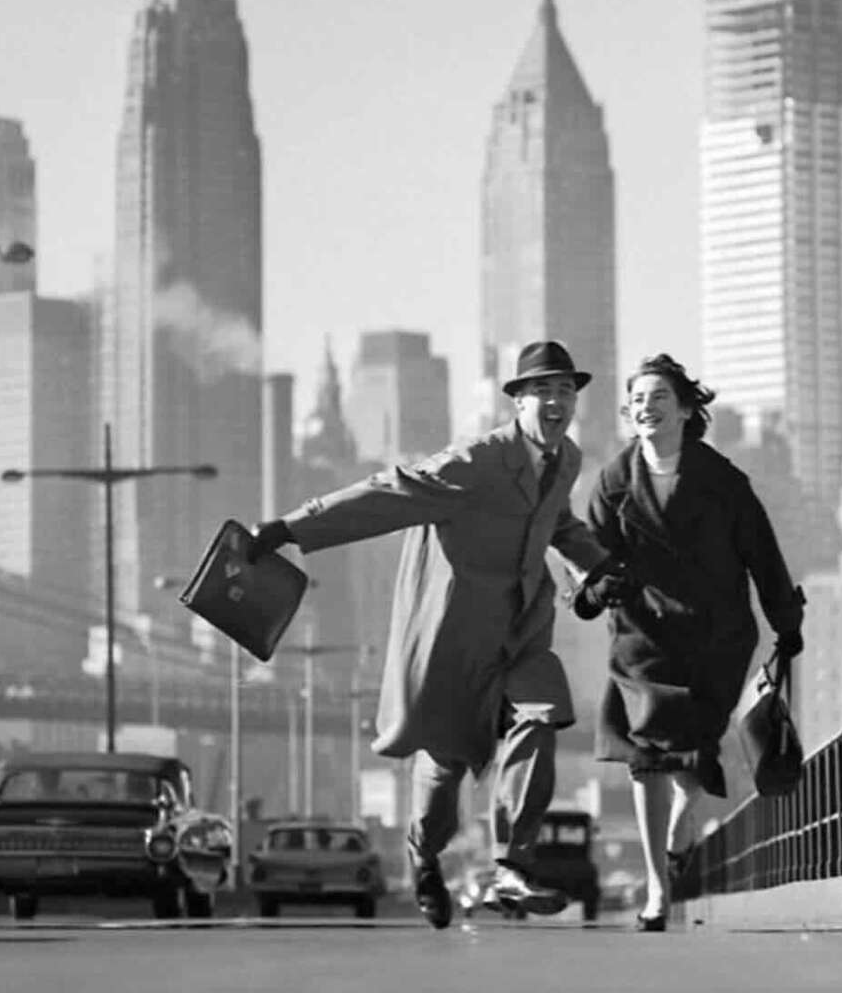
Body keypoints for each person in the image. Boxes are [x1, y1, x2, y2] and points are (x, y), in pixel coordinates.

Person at [247, 340, 626, 930]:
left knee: (542, 716)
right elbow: (388, 494)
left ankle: (512, 867)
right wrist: (289, 528)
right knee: (445, 772)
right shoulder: (475, 461)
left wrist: (597, 565)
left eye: (566, 392)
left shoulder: (567, 460)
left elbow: (560, 524)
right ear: (517, 402)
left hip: (524, 633)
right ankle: (424, 855)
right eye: (544, 391)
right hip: (456, 641)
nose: (558, 402)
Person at [570, 353, 804, 932]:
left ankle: (679, 830)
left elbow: (762, 555)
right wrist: (594, 589)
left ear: (685, 410)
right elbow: (586, 553)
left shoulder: (723, 482)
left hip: (715, 638)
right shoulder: (614, 482)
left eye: (659, 398)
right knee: (645, 759)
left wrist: (786, 622)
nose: (646, 408)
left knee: (694, 760)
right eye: (638, 400)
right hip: (641, 637)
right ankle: (658, 888)